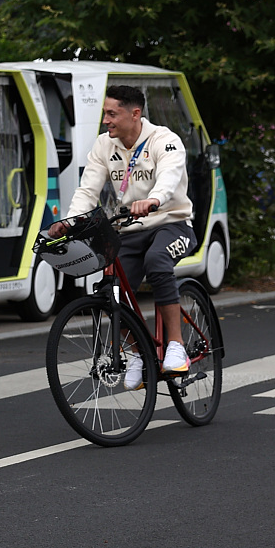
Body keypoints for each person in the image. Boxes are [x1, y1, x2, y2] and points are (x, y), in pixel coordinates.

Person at [49, 83, 194, 388]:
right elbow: (87, 190)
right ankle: (139, 353)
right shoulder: (105, 145)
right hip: (131, 229)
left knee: (157, 261)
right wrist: (70, 223)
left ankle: (176, 347)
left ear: (135, 114)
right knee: (109, 287)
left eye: (112, 113)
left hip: (172, 224)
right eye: (105, 113)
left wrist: (153, 200)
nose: (106, 120)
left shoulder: (164, 140)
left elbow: (169, 177)